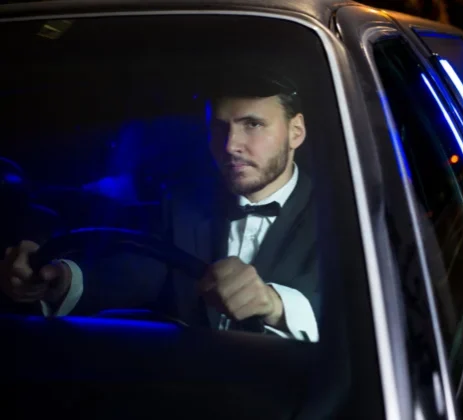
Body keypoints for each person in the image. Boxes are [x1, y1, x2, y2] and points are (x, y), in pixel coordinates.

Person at [0, 68, 319, 342]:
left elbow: (352, 311)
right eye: (218, 127)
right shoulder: (183, 204)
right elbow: (135, 268)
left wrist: (275, 306)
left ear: (296, 132)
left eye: (253, 124)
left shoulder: (347, 214)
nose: (230, 145)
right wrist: (61, 279)